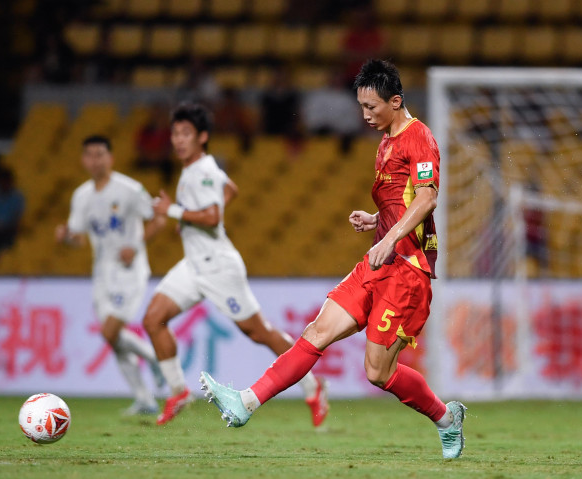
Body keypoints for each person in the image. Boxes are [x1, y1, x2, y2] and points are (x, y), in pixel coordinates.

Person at [200, 60, 467, 460]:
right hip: (377, 262)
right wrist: (378, 218)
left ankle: (446, 418)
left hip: (407, 270)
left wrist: (390, 237)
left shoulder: (419, 137)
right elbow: (405, 199)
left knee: (378, 372)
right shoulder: (386, 141)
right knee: (316, 332)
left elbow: (427, 198)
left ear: (396, 101)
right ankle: (245, 403)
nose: (365, 115)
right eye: (361, 106)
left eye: (372, 107)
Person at [143, 103, 328, 426]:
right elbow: (231, 190)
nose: (178, 140)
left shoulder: (203, 171)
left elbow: (213, 217)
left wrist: (175, 212)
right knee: (153, 319)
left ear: (202, 137)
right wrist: (188, 219)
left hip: (218, 267)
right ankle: (178, 391)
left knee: (259, 332)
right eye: (175, 133)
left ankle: (313, 385)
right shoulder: (198, 170)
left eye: (186, 133)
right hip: (193, 265)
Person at [55, 135, 167, 416]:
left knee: (110, 331)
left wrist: (136, 245)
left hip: (130, 271)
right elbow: (79, 238)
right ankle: (144, 399)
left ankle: (156, 359)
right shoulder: (81, 196)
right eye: (90, 155)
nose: (95, 160)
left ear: (111, 158)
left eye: (100, 154)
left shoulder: (129, 189)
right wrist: (66, 236)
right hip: (102, 273)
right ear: (83, 160)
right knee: (112, 338)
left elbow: (159, 219)